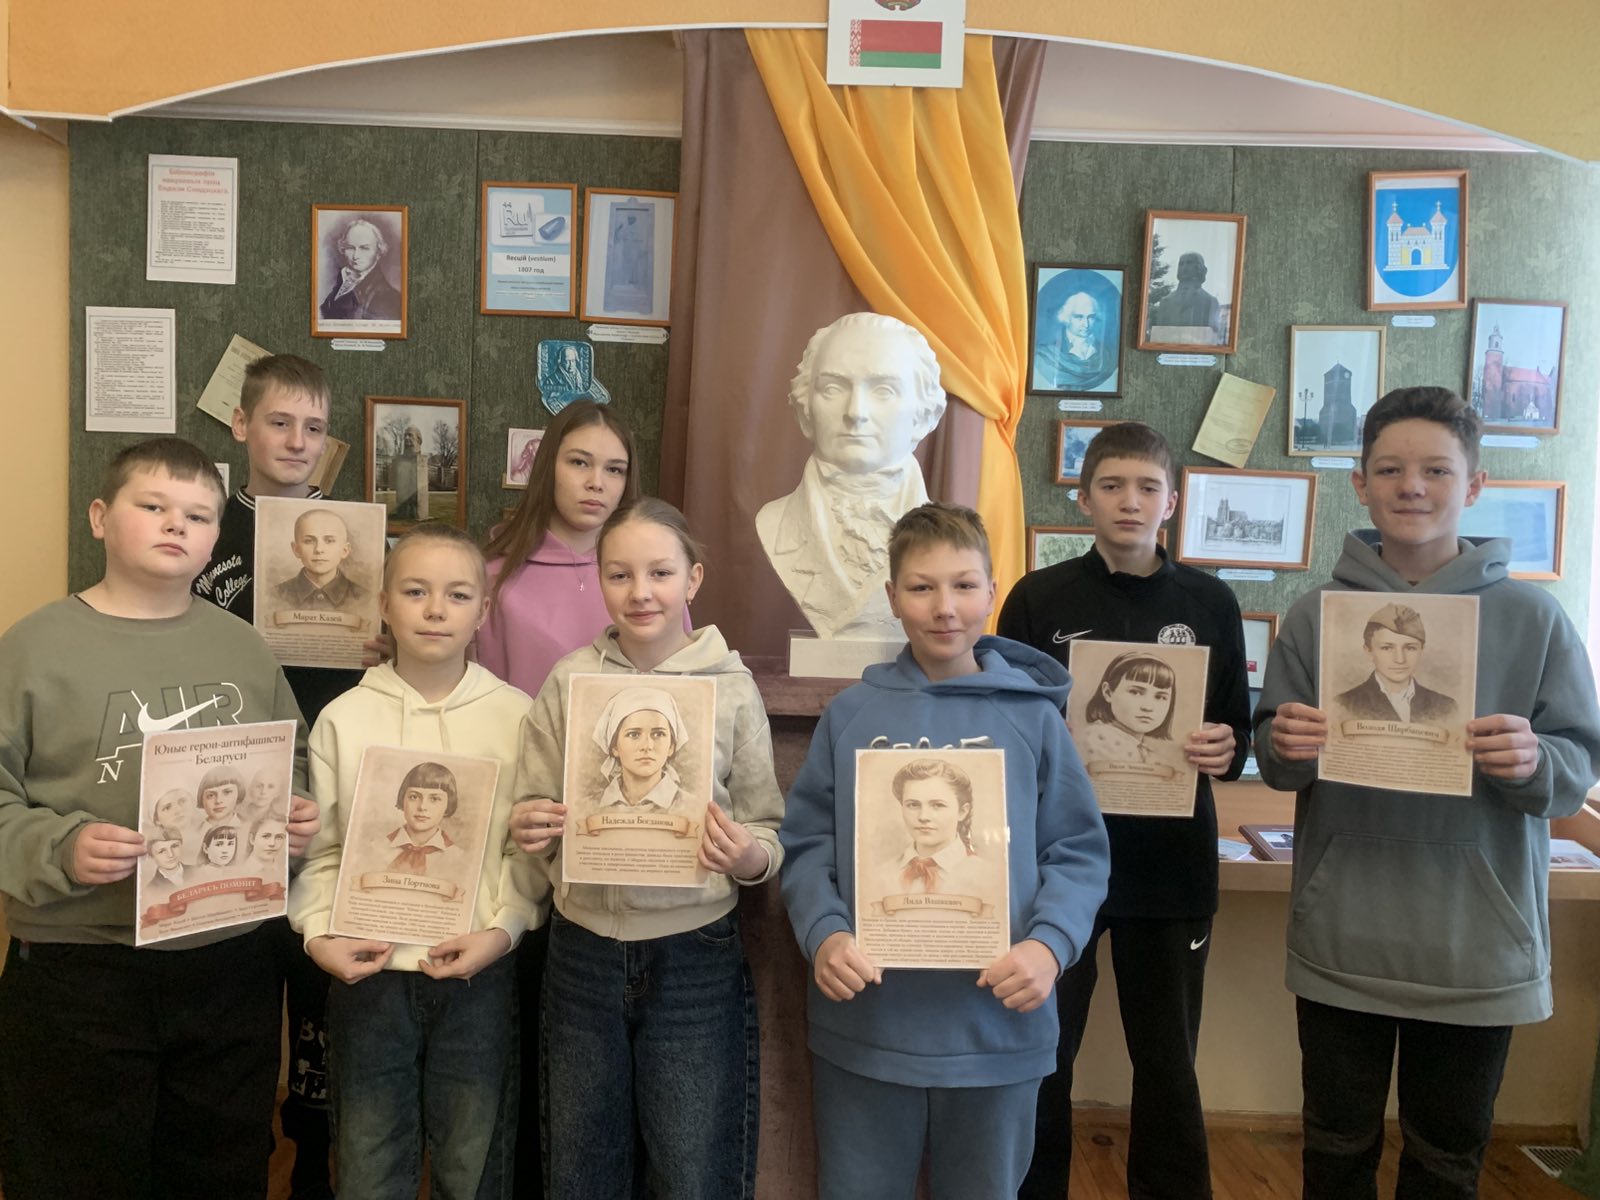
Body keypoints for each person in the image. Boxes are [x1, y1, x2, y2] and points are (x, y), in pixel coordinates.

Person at [1255, 386, 1600, 1199]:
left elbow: (1575, 767)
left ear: (1474, 485)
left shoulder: (1535, 619)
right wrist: (1284, 744)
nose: (1412, 486)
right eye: (1389, 469)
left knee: (1447, 1161)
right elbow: (1275, 757)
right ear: (1360, 484)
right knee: (1334, 1149)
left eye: (1437, 470)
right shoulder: (1315, 616)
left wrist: (1534, 758)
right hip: (1344, 934)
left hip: (1476, 945)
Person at [0, 437, 319, 1200]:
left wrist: (295, 814)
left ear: (215, 540)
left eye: (199, 516)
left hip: (228, 957)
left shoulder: (243, 647)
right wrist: (60, 846)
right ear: (100, 517)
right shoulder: (32, 648)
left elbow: (295, 760)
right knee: (74, 1169)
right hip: (80, 962)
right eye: (154, 506)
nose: (177, 525)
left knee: (221, 1164)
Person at [780, 501, 1110, 1200]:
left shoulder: (1034, 718)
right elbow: (807, 844)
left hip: (999, 1029)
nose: (944, 607)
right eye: (921, 587)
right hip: (868, 1024)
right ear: (892, 595)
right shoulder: (850, 716)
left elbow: (1078, 852)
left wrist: (1049, 946)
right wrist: (825, 933)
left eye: (963, 585)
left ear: (992, 591)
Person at [998, 420, 1250, 1200]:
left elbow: (1237, 730)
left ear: (1171, 502)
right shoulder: (1038, 598)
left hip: (1170, 871)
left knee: (1168, 1062)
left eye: (1147, 487)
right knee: (1045, 1055)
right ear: (1084, 498)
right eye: (1111, 485)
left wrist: (1225, 746)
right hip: (1057, 867)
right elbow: (1006, 723)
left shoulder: (1211, 601)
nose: (1129, 501)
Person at [509, 497, 784, 1200]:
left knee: (692, 1165)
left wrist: (747, 858)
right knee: (581, 1164)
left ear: (693, 579)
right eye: (620, 574)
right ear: (600, 579)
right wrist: (532, 827)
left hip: (694, 953)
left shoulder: (731, 687)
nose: (641, 592)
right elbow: (531, 805)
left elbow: (765, 828)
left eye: (660, 573)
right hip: (582, 951)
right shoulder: (570, 681)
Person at [290, 522, 544, 1200]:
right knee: (369, 1163)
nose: (436, 610)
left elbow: (525, 850)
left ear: (482, 611)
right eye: (415, 591)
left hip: (477, 977)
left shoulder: (518, 716)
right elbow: (322, 851)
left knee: (474, 1164)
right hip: (369, 978)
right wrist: (318, 935)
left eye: (457, 595)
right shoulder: (343, 718)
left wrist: (504, 929)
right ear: (383, 604)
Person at [191, 353, 357, 1200]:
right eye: (280, 422)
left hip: (332, 787)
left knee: (320, 990)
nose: (297, 441)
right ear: (241, 425)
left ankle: (316, 1164)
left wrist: (388, 643)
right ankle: (239, 1152)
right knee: (240, 991)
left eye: (314, 427)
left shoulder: (357, 535)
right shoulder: (202, 529)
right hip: (229, 789)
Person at [475, 398, 641, 1198]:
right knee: (521, 1023)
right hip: (521, 825)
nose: (596, 483)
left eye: (615, 469)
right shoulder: (496, 571)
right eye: (580, 462)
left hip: (616, 829)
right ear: (548, 466)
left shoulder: (644, 572)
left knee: (595, 1045)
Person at [756, 312, 949, 639]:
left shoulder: (951, 539)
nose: (856, 412)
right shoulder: (773, 523)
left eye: (884, 391)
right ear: (805, 411)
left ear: (924, 415)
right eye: (833, 388)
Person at [1333, 602, 1459, 724]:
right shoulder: (1343, 705)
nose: (1400, 659)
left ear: (1421, 650)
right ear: (1369, 651)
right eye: (1387, 648)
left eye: (1410, 648)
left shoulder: (1446, 707)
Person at [1079, 649, 1189, 773]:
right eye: (1135, 692)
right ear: (1108, 692)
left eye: (1160, 697)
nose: (1148, 707)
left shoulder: (1142, 748)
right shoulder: (1098, 740)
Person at [590, 686, 689, 814]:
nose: (647, 746)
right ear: (615, 747)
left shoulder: (692, 806)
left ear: (671, 746)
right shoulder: (587, 806)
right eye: (633, 734)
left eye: (658, 734)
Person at [271, 507, 366, 613]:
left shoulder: (365, 598)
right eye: (309, 541)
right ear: (296, 549)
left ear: (345, 550)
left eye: (329, 541)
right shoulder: (274, 596)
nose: (319, 549)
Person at [380, 761, 466, 874]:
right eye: (414, 797)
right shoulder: (376, 848)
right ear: (402, 799)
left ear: (448, 804)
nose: (422, 807)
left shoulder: (458, 858)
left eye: (434, 799)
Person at [319, 216, 402, 323]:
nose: (356, 256)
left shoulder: (388, 297)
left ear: (379, 251)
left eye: (364, 248)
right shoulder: (343, 280)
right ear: (343, 248)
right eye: (350, 248)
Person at [1036, 290, 1116, 391]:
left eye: (1091, 317)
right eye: (1079, 317)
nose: (1086, 324)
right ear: (1067, 318)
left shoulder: (1108, 353)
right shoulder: (1046, 354)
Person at [1149, 250, 1223, 341]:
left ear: (1199, 268)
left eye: (1189, 263)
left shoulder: (1210, 301)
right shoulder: (1165, 302)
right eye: (1181, 264)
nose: (1184, 268)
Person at [143, 829, 189, 896]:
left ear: (181, 845)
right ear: (152, 856)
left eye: (174, 846)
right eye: (162, 851)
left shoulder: (199, 871)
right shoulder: (150, 891)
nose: (171, 855)